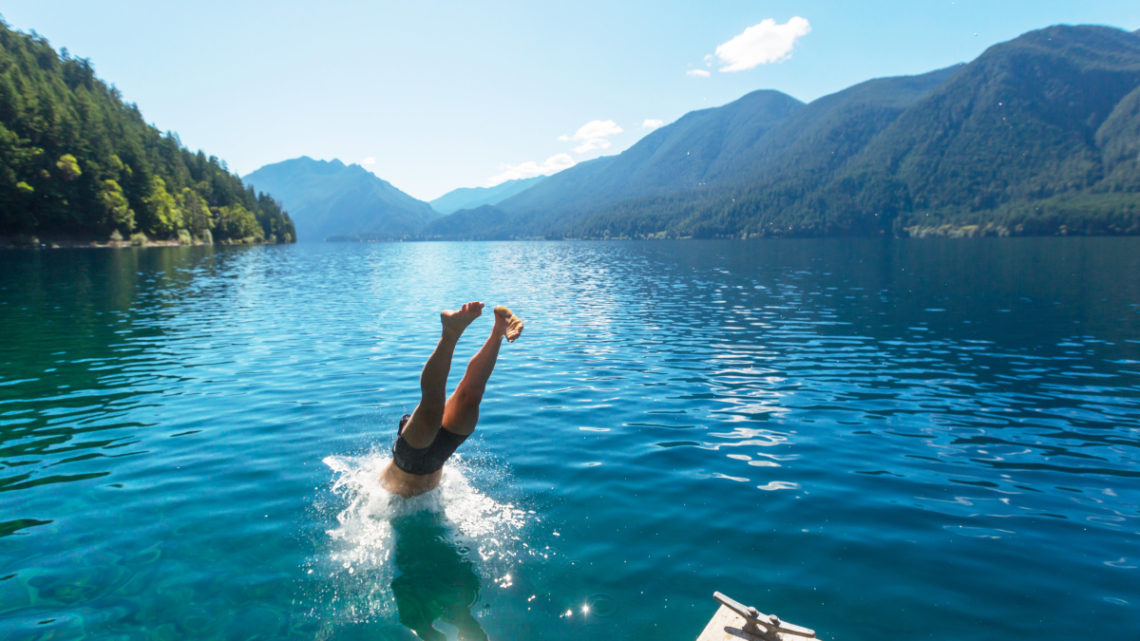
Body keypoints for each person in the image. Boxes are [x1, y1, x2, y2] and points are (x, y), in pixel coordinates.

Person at [380, 302, 524, 497]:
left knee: (433, 405)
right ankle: (498, 330)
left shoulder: (372, 488)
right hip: (438, 458)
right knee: (470, 398)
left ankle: (450, 333)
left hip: (408, 463)